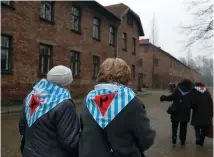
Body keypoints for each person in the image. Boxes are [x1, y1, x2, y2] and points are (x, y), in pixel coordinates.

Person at [79, 58, 155, 157]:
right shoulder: (132, 102)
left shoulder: (88, 99)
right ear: (125, 75)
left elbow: (83, 130)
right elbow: (146, 139)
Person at [19, 65, 80, 157]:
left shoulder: (32, 96)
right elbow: (70, 142)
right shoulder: (64, 104)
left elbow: (22, 128)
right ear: (67, 84)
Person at [160, 79, 193, 145]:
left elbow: (171, 97)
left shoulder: (177, 89)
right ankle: (182, 140)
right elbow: (193, 102)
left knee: (174, 125)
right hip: (185, 112)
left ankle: (174, 137)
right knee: (183, 127)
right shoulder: (191, 90)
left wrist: (163, 98)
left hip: (176, 110)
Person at [191, 82, 213, 146]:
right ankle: (201, 141)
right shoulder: (207, 93)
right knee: (204, 128)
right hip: (206, 114)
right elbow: (211, 104)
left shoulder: (193, 92)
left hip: (197, 113)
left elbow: (192, 102)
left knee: (197, 127)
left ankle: (198, 138)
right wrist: (211, 114)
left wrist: (193, 108)